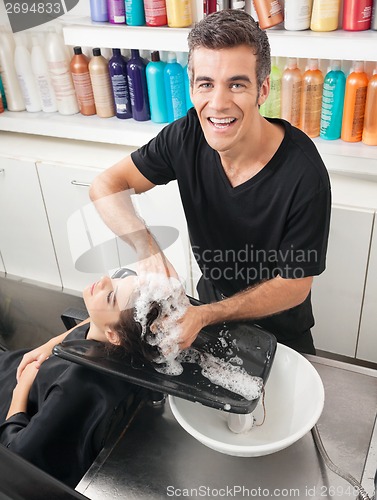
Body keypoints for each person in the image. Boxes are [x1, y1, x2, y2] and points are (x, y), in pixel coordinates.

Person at [90, 10, 331, 356]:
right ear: (192, 87)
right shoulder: (186, 136)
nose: (217, 104)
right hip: (206, 316)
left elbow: (294, 286)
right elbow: (106, 185)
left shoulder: (304, 175)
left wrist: (206, 315)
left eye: (236, 84)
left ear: (262, 89)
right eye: (206, 84)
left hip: (281, 337)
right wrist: (146, 247)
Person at [0, 273, 161, 487]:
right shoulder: (118, 341)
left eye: (111, 296)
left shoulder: (74, 387)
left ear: (113, 335)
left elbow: (16, 458)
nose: (105, 279)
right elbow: (107, 320)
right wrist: (50, 344)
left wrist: (20, 389)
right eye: (118, 279)